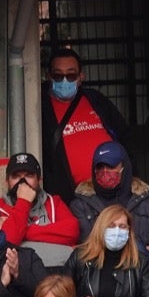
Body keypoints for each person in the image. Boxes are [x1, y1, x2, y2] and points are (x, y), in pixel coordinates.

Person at [69, 141, 149, 289]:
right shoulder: (80, 205)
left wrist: (145, 256)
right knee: (137, 247)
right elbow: (87, 248)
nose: (105, 172)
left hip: (140, 273)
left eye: (111, 166)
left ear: (124, 167)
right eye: (100, 167)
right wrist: (135, 250)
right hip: (99, 275)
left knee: (138, 250)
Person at [38, 48, 129, 197]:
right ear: (49, 77)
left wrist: (130, 177)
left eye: (71, 75)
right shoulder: (40, 107)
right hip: (72, 199)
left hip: (114, 193)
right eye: (58, 75)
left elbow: (125, 136)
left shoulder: (95, 99)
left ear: (81, 77)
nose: (65, 80)